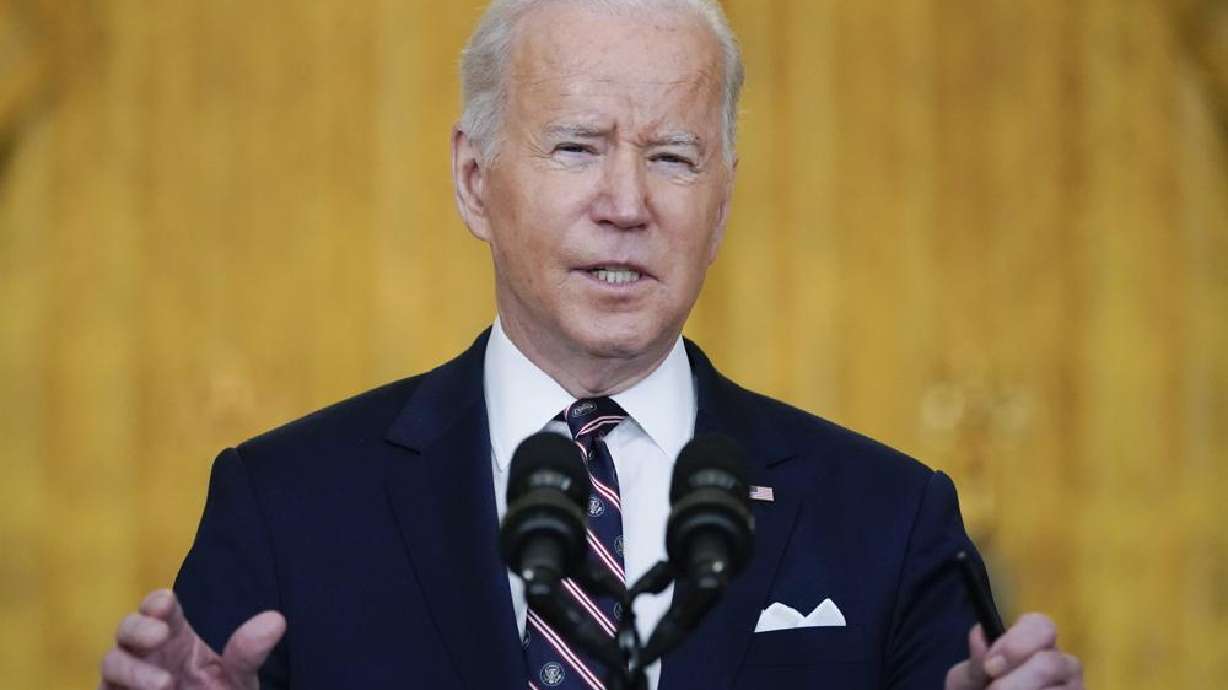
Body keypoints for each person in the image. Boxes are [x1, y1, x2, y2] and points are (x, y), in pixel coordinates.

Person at [98, 1, 1085, 689]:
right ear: (475, 178)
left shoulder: (890, 514)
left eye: (671, 156)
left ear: (724, 196)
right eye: (575, 147)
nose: (626, 205)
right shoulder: (284, 502)